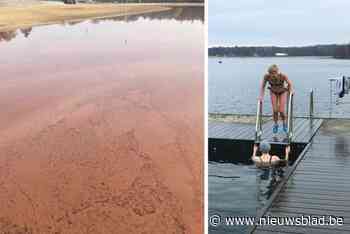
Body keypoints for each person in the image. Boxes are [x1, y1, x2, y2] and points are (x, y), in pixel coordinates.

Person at [259, 64, 294, 134]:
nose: (272, 75)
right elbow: (263, 86)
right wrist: (261, 96)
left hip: (282, 91)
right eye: (270, 73)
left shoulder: (283, 76)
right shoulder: (266, 77)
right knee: (275, 110)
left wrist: (291, 91)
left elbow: (290, 84)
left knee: (281, 110)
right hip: (273, 91)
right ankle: (275, 124)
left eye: (274, 73)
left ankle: (284, 123)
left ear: (277, 72)